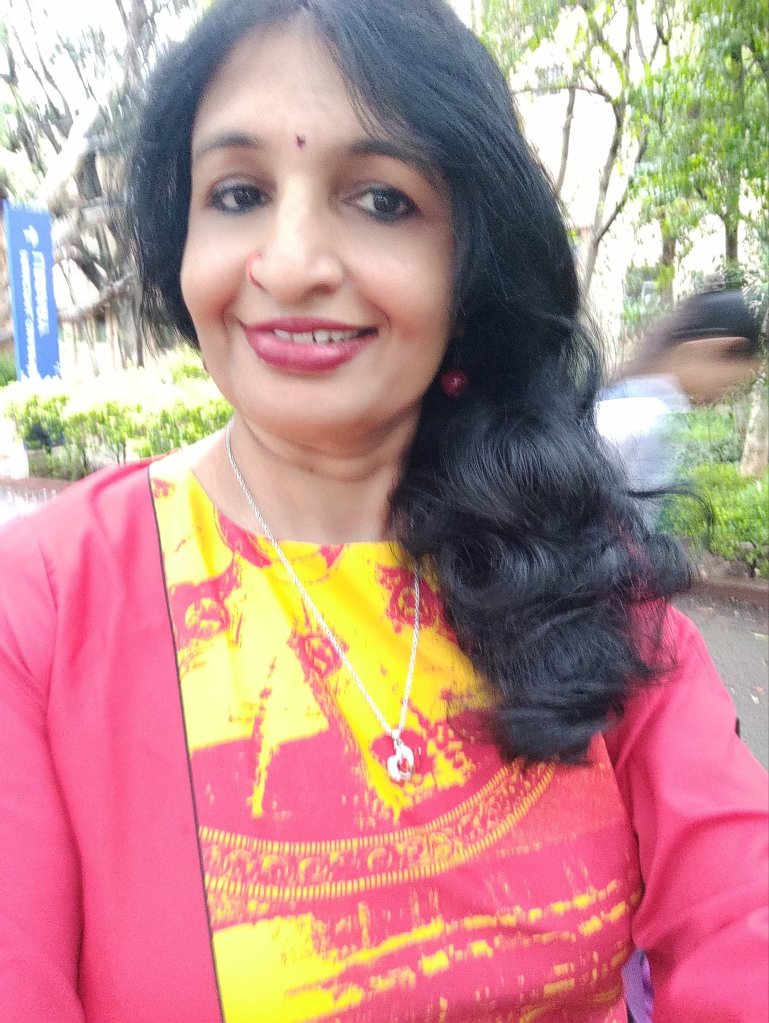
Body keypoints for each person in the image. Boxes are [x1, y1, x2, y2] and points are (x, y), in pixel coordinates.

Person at [0, 1, 766, 1021]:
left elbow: (738, 918)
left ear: (471, 257)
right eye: (238, 193)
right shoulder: (44, 609)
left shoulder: (582, 561)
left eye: (380, 199)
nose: (291, 264)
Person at [596, 287, 763, 500]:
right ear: (708, 348)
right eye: (731, 383)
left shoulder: (628, 396)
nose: (726, 394)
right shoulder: (647, 416)